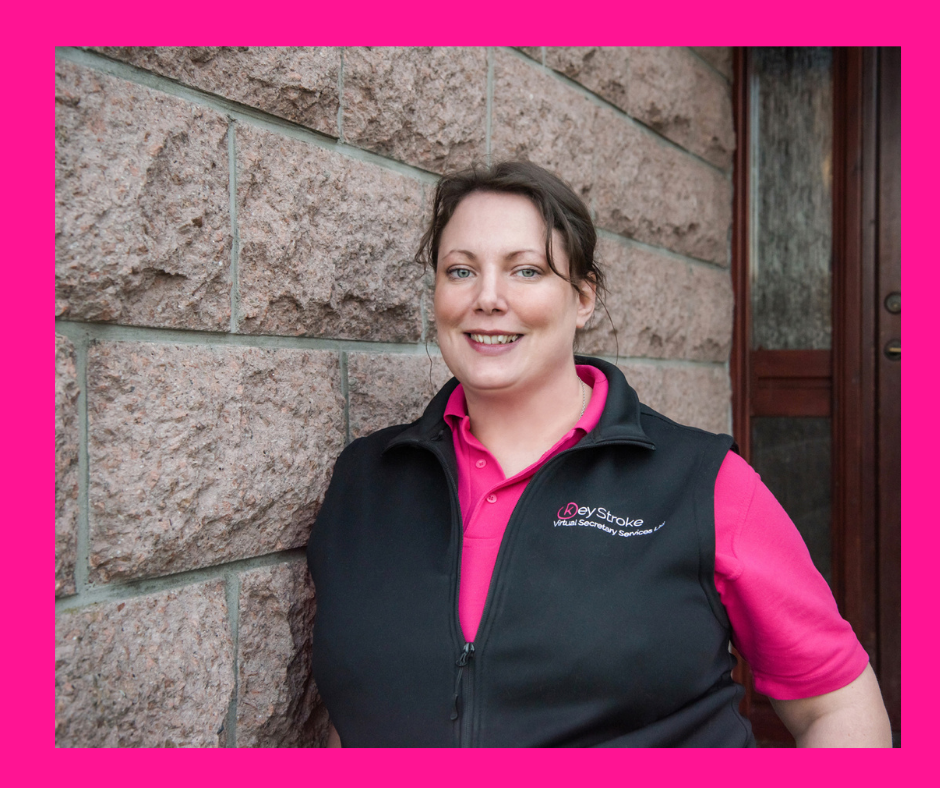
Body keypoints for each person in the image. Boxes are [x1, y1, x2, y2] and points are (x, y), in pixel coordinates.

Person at [306, 161, 891, 747]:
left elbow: (836, 706)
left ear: (583, 299)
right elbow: (354, 718)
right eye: (461, 270)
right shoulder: (365, 482)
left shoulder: (701, 484)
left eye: (526, 270)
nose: (487, 298)